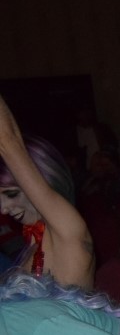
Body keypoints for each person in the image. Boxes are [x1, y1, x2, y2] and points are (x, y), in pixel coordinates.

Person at [0, 95, 94, 290]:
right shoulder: (35, 235)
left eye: (11, 194)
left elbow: (8, 142)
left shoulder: (68, 230)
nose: (3, 209)